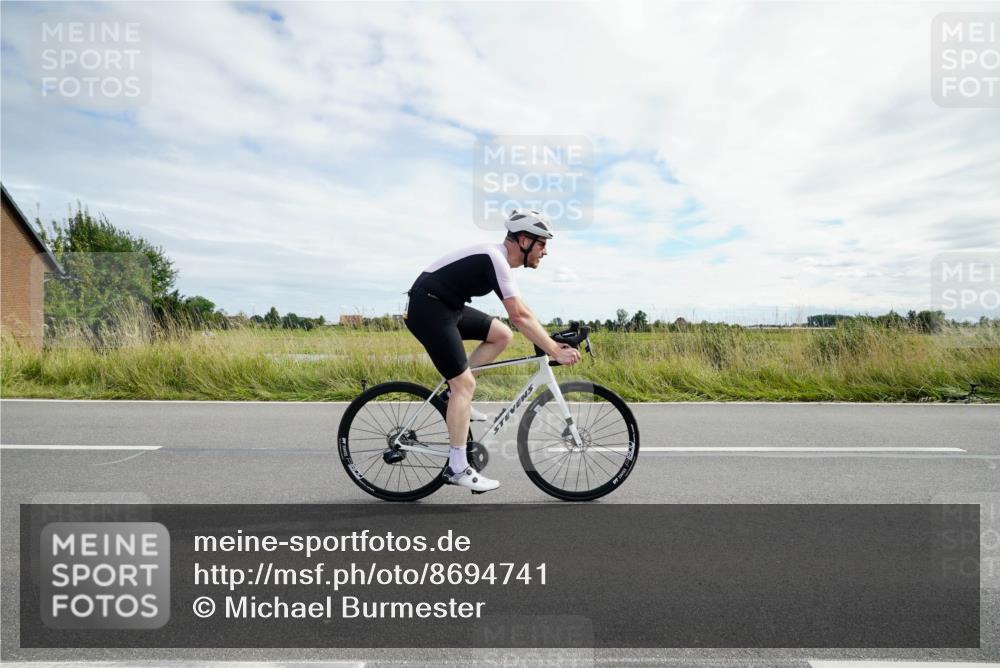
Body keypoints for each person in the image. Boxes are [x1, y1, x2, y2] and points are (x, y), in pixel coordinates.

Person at [404, 210, 581, 493]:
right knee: (465, 384)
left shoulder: (499, 261)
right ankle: (457, 467)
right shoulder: (496, 258)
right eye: (542, 244)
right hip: (428, 309)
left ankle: (452, 397)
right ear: (523, 240)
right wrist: (554, 351)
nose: (545, 252)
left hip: (448, 307)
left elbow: (523, 311)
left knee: (501, 335)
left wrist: (549, 340)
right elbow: (519, 315)